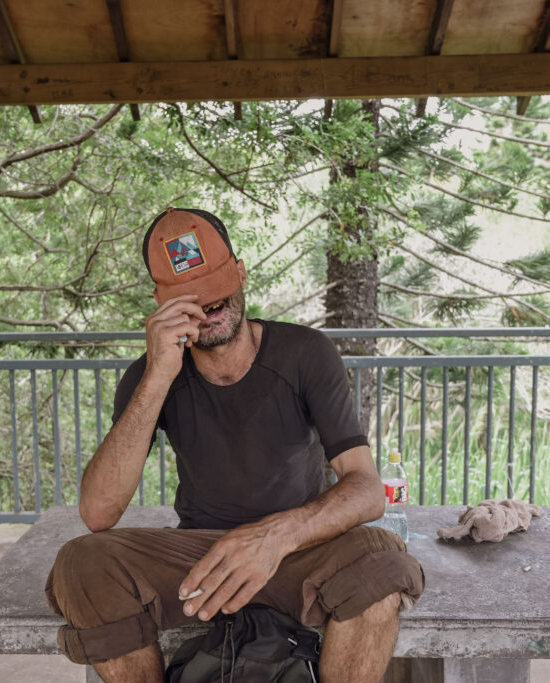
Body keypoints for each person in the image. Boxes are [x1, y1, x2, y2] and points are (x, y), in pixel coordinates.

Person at [45, 208, 424, 682]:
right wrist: (160, 373)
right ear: (162, 304)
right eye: (191, 299)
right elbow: (98, 513)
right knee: (83, 561)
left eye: (216, 290)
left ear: (240, 272)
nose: (209, 307)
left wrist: (275, 537)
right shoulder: (148, 376)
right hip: (198, 562)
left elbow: (366, 489)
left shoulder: (306, 354)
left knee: (383, 558)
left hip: (299, 551)